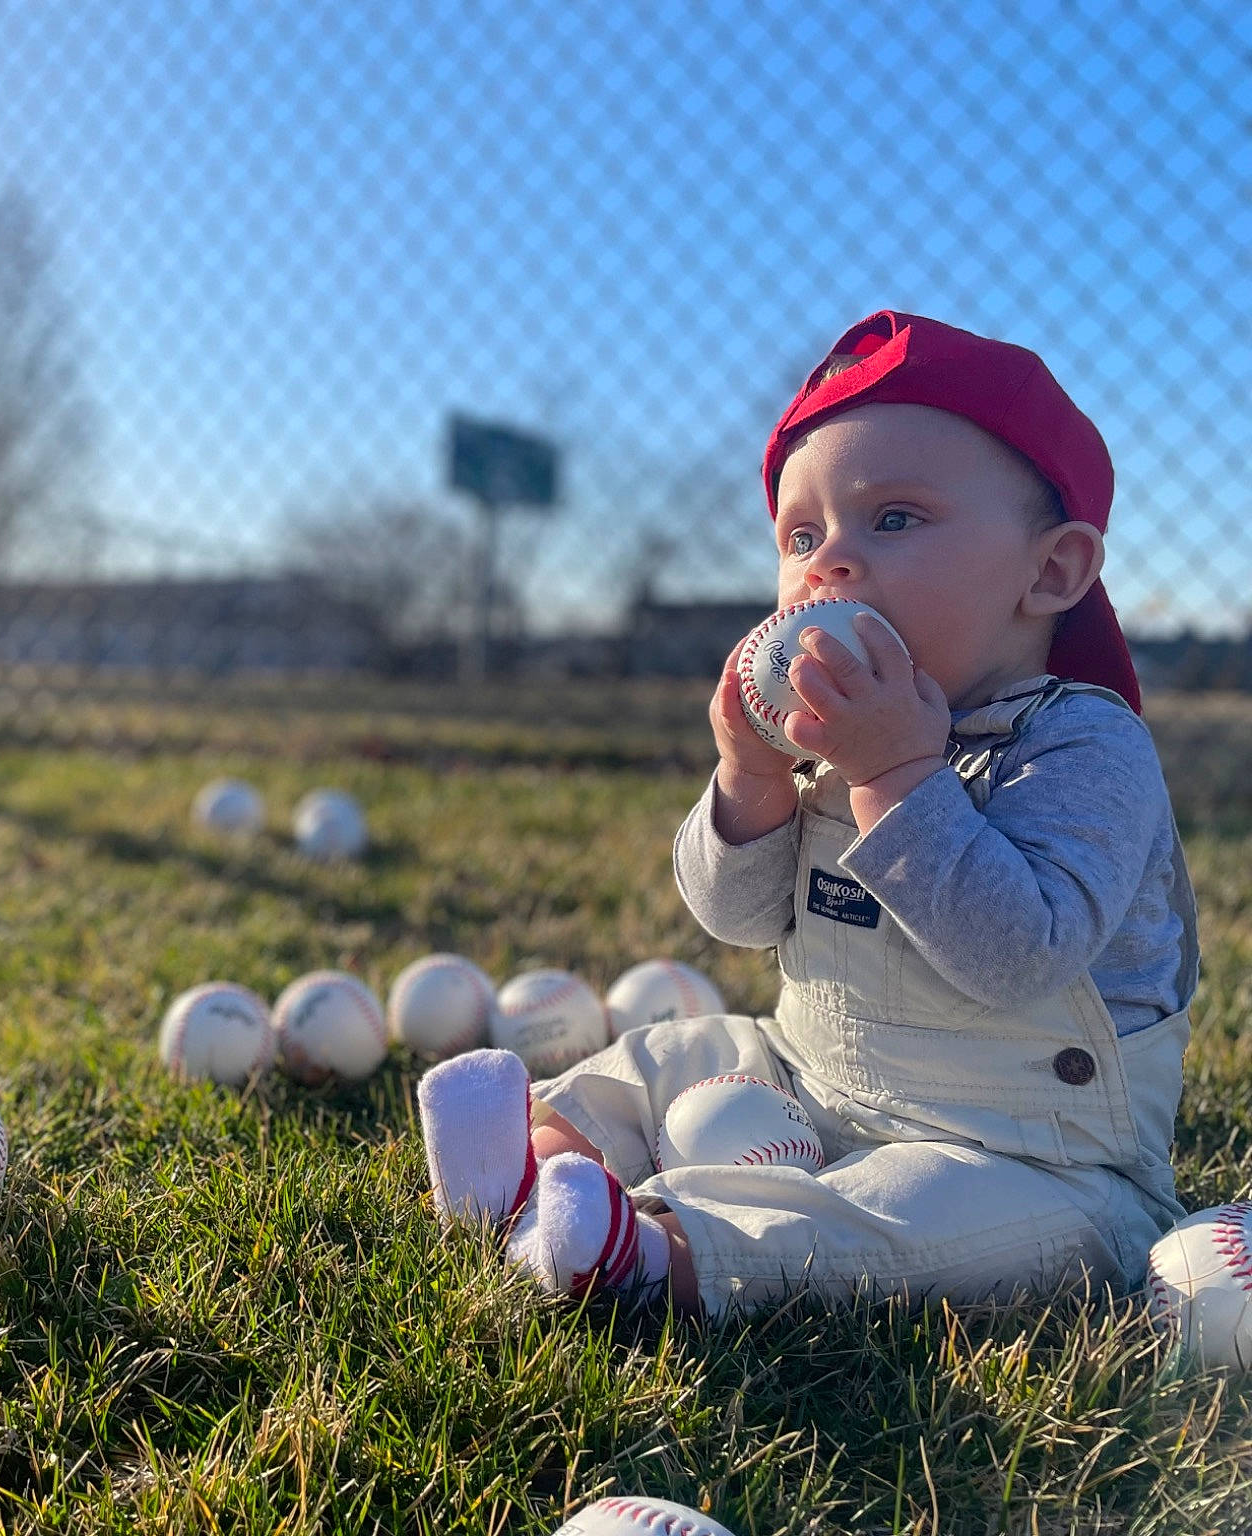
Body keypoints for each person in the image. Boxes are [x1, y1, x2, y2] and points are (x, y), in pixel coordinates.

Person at [418, 310, 1198, 1318]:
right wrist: (745, 782)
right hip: (817, 1072)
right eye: (799, 534)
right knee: (679, 1049)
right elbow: (739, 920)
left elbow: (1019, 956)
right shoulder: (840, 737)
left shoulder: (1083, 746)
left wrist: (897, 776)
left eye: (894, 519)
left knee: (923, 1217)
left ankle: (656, 1255)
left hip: (1030, 1147)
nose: (827, 562)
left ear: (1047, 571)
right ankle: (533, 1158)